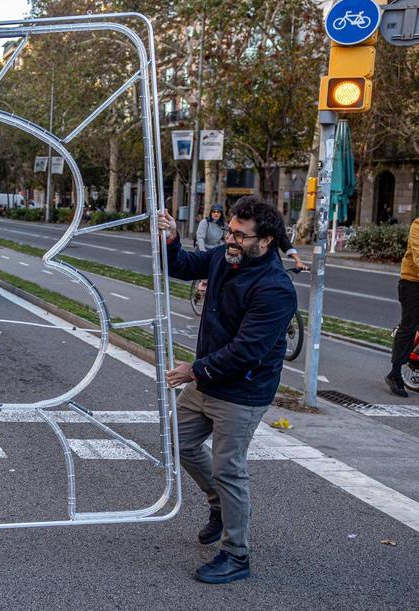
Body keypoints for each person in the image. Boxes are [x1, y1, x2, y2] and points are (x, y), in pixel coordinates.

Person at [157, 196, 297, 585]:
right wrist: (171, 238)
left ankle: (236, 555)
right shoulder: (225, 256)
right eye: (229, 231)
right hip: (206, 380)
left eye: (239, 234)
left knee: (229, 469)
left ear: (265, 241)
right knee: (178, 442)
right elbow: (183, 266)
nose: (230, 239)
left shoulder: (275, 288)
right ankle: (219, 505)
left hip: (242, 391)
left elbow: (246, 351)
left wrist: (193, 370)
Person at [386, 216, 419, 398]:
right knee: (409, 325)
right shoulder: (417, 225)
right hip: (412, 282)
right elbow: (418, 254)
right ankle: (395, 373)